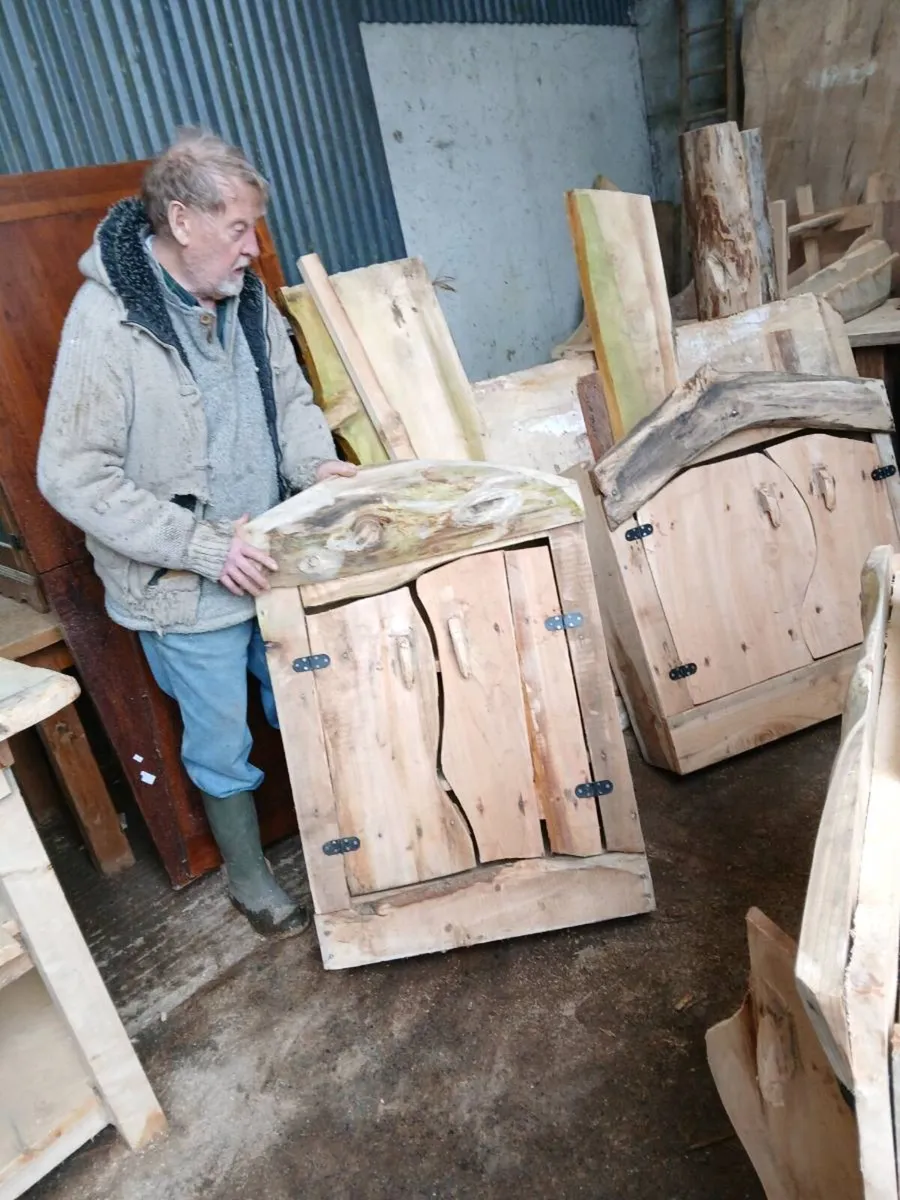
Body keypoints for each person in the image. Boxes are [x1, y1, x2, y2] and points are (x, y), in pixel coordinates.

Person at [38, 129, 356, 937]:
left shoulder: (247, 295)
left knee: (313, 704)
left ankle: (351, 848)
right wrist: (207, 547)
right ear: (181, 220)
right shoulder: (107, 325)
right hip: (188, 585)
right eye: (239, 229)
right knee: (220, 740)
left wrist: (315, 469)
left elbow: (290, 399)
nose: (256, 249)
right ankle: (250, 879)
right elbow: (71, 476)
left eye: (255, 228)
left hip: (275, 556)